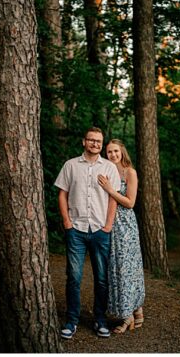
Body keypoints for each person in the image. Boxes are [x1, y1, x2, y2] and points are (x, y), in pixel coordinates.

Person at [53, 127, 121, 339]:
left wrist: (108, 225)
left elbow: (113, 198)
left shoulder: (110, 168)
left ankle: (100, 320)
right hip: (77, 230)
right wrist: (67, 222)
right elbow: (62, 194)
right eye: (91, 140)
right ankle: (72, 321)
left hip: (101, 230)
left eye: (99, 141)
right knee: (74, 277)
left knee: (101, 278)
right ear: (84, 142)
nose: (95, 144)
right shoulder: (71, 165)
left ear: (102, 144)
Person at [98, 140, 145, 334]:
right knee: (116, 268)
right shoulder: (107, 171)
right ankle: (137, 310)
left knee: (127, 268)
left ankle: (127, 318)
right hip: (109, 223)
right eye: (109, 152)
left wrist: (110, 189)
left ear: (122, 151)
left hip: (125, 227)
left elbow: (130, 202)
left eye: (116, 151)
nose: (113, 154)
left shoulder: (129, 172)